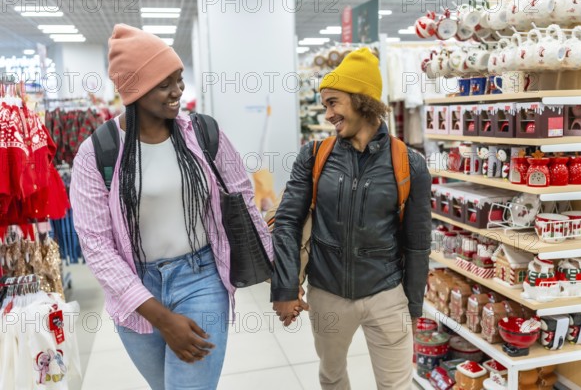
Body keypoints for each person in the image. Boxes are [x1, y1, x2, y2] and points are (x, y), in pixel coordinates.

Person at [70, 24, 272, 390]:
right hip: (134, 288)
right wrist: (160, 317)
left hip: (202, 277)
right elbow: (96, 246)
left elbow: (243, 201)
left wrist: (283, 279)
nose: (178, 91)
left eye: (179, 80)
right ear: (135, 88)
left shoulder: (203, 133)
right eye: (165, 83)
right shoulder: (97, 153)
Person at [271, 48, 432, 390]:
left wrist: (413, 308)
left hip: (387, 294)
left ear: (362, 100)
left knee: (396, 385)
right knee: (332, 376)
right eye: (325, 105)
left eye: (333, 102)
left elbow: (418, 243)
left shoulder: (409, 163)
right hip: (327, 292)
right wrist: (285, 287)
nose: (327, 114)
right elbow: (286, 221)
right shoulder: (314, 155)